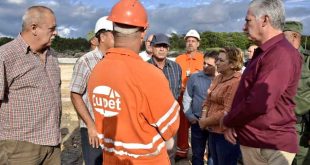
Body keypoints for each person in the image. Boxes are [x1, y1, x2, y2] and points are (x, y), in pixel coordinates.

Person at [87, 0, 180, 164]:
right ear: (143, 32)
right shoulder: (150, 75)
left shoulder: (97, 71)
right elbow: (170, 127)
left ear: (113, 28)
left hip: (111, 158)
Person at [222, 0, 302, 165]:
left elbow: (258, 103)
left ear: (264, 20)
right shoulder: (266, 53)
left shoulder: (279, 54)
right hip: (259, 143)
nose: (244, 27)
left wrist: (228, 120)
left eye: (248, 20)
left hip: (268, 146)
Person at [0, 6, 61, 164]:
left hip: (52, 143)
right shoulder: (5, 55)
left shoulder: (52, 56)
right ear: (34, 28)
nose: (56, 33)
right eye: (52, 29)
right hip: (19, 148)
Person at [70, 16, 114, 165]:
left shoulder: (115, 61)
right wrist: (90, 126)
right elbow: (75, 94)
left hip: (112, 128)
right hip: (93, 128)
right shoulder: (86, 61)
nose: (118, 37)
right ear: (102, 37)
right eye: (113, 34)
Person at [199, 47, 242, 165]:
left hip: (225, 134)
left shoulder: (237, 82)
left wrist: (205, 122)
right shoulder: (218, 77)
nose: (216, 62)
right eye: (217, 59)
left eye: (221, 61)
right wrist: (203, 118)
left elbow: (227, 111)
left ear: (232, 64)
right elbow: (207, 100)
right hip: (213, 130)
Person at [147, 33, 182, 164]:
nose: (162, 49)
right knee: (151, 153)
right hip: (150, 121)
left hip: (170, 120)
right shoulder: (143, 68)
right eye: (158, 46)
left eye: (164, 46)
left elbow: (177, 90)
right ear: (151, 48)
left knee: (171, 152)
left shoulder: (176, 67)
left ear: (168, 49)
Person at [183, 51, 218, 165]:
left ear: (217, 65)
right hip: (197, 122)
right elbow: (187, 98)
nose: (205, 66)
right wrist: (191, 117)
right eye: (204, 63)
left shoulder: (222, 79)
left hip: (215, 124)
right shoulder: (194, 77)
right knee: (197, 154)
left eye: (209, 65)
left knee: (213, 155)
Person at [175, 29, 204, 161]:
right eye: (188, 41)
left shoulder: (204, 59)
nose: (190, 43)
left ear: (198, 43)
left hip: (199, 99)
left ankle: (201, 152)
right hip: (182, 97)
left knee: (200, 126)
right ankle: (182, 151)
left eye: (193, 41)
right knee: (182, 126)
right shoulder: (179, 59)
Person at [283, 21, 310, 165]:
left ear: (294, 36)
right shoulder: (275, 59)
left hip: (300, 129)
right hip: (276, 126)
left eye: (282, 37)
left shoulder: (307, 61)